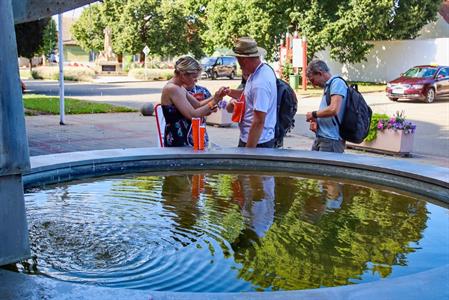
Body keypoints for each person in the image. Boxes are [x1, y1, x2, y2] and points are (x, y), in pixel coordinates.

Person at [160, 56, 227, 147]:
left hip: (184, 137)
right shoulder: (172, 88)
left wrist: (216, 96)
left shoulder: (179, 87)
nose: (196, 80)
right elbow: (192, 115)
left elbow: (197, 105)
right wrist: (214, 101)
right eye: (194, 77)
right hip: (178, 140)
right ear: (183, 74)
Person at [225, 37, 277, 148]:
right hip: (252, 138)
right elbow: (248, 94)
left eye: (238, 60)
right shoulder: (262, 70)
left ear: (245, 60)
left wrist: (248, 151)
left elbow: (258, 121)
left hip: (257, 142)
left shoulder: (260, 83)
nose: (238, 65)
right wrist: (229, 92)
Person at [305, 60, 348, 153]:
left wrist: (314, 114)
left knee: (324, 167)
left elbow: (333, 109)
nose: (313, 85)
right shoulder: (329, 86)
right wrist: (317, 120)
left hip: (331, 140)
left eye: (313, 80)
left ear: (320, 73)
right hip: (322, 137)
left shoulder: (337, 83)